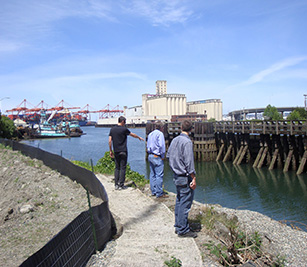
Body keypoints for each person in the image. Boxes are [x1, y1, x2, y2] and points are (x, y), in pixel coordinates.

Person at [166, 120, 197, 238]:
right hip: (185, 177)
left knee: (179, 201)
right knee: (185, 203)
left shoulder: (175, 140)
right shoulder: (187, 142)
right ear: (191, 129)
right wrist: (193, 178)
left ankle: (178, 225)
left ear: (181, 128)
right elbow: (189, 162)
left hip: (176, 175)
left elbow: (168, 156)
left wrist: (175, 167)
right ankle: (183, 230)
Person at [109, 116, 144, 190]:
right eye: (125, 122)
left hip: (116, 151)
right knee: (123, 168)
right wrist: (139, 137)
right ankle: (121, 185)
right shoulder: (124, 129)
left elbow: (109, 141)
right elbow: (132, 134)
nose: (125, 124)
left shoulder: (112, 129)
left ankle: (116, 184)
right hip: (123, 151)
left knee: (117, 168)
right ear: (122, 122)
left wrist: (110, 151)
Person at [147, 121, 168, 198]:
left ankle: (153, 191)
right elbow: (162, 146)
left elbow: (148, 145)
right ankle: (159, 193)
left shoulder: (150, 134)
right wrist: (163, 155)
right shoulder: (160, 134)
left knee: (152, 174)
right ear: (161, 127)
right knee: (159, 175)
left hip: (150, 155)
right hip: (157, 156)